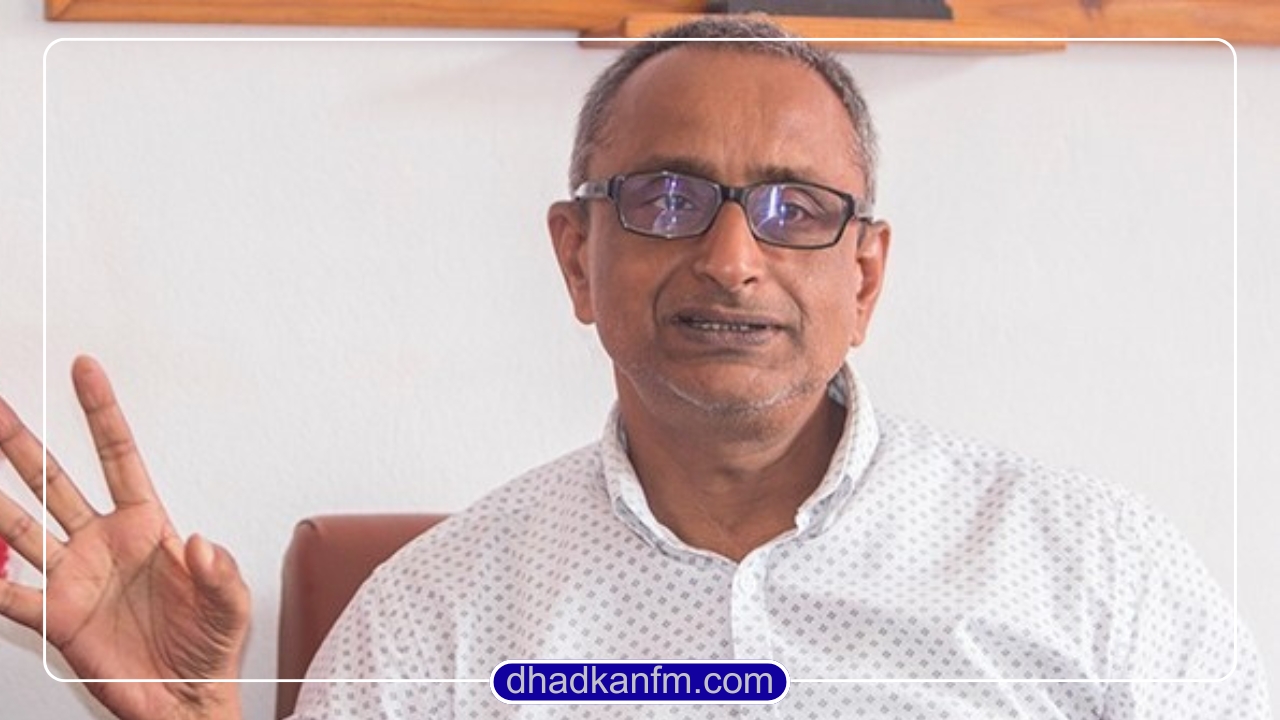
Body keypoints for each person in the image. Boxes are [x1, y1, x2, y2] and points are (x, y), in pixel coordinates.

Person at [0, 16, 1270, 720]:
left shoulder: (1094, 569)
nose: (730, 258)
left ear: (866, 276)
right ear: (575, 255)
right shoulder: (429, 618)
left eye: (793, 208)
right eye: (666, 198)